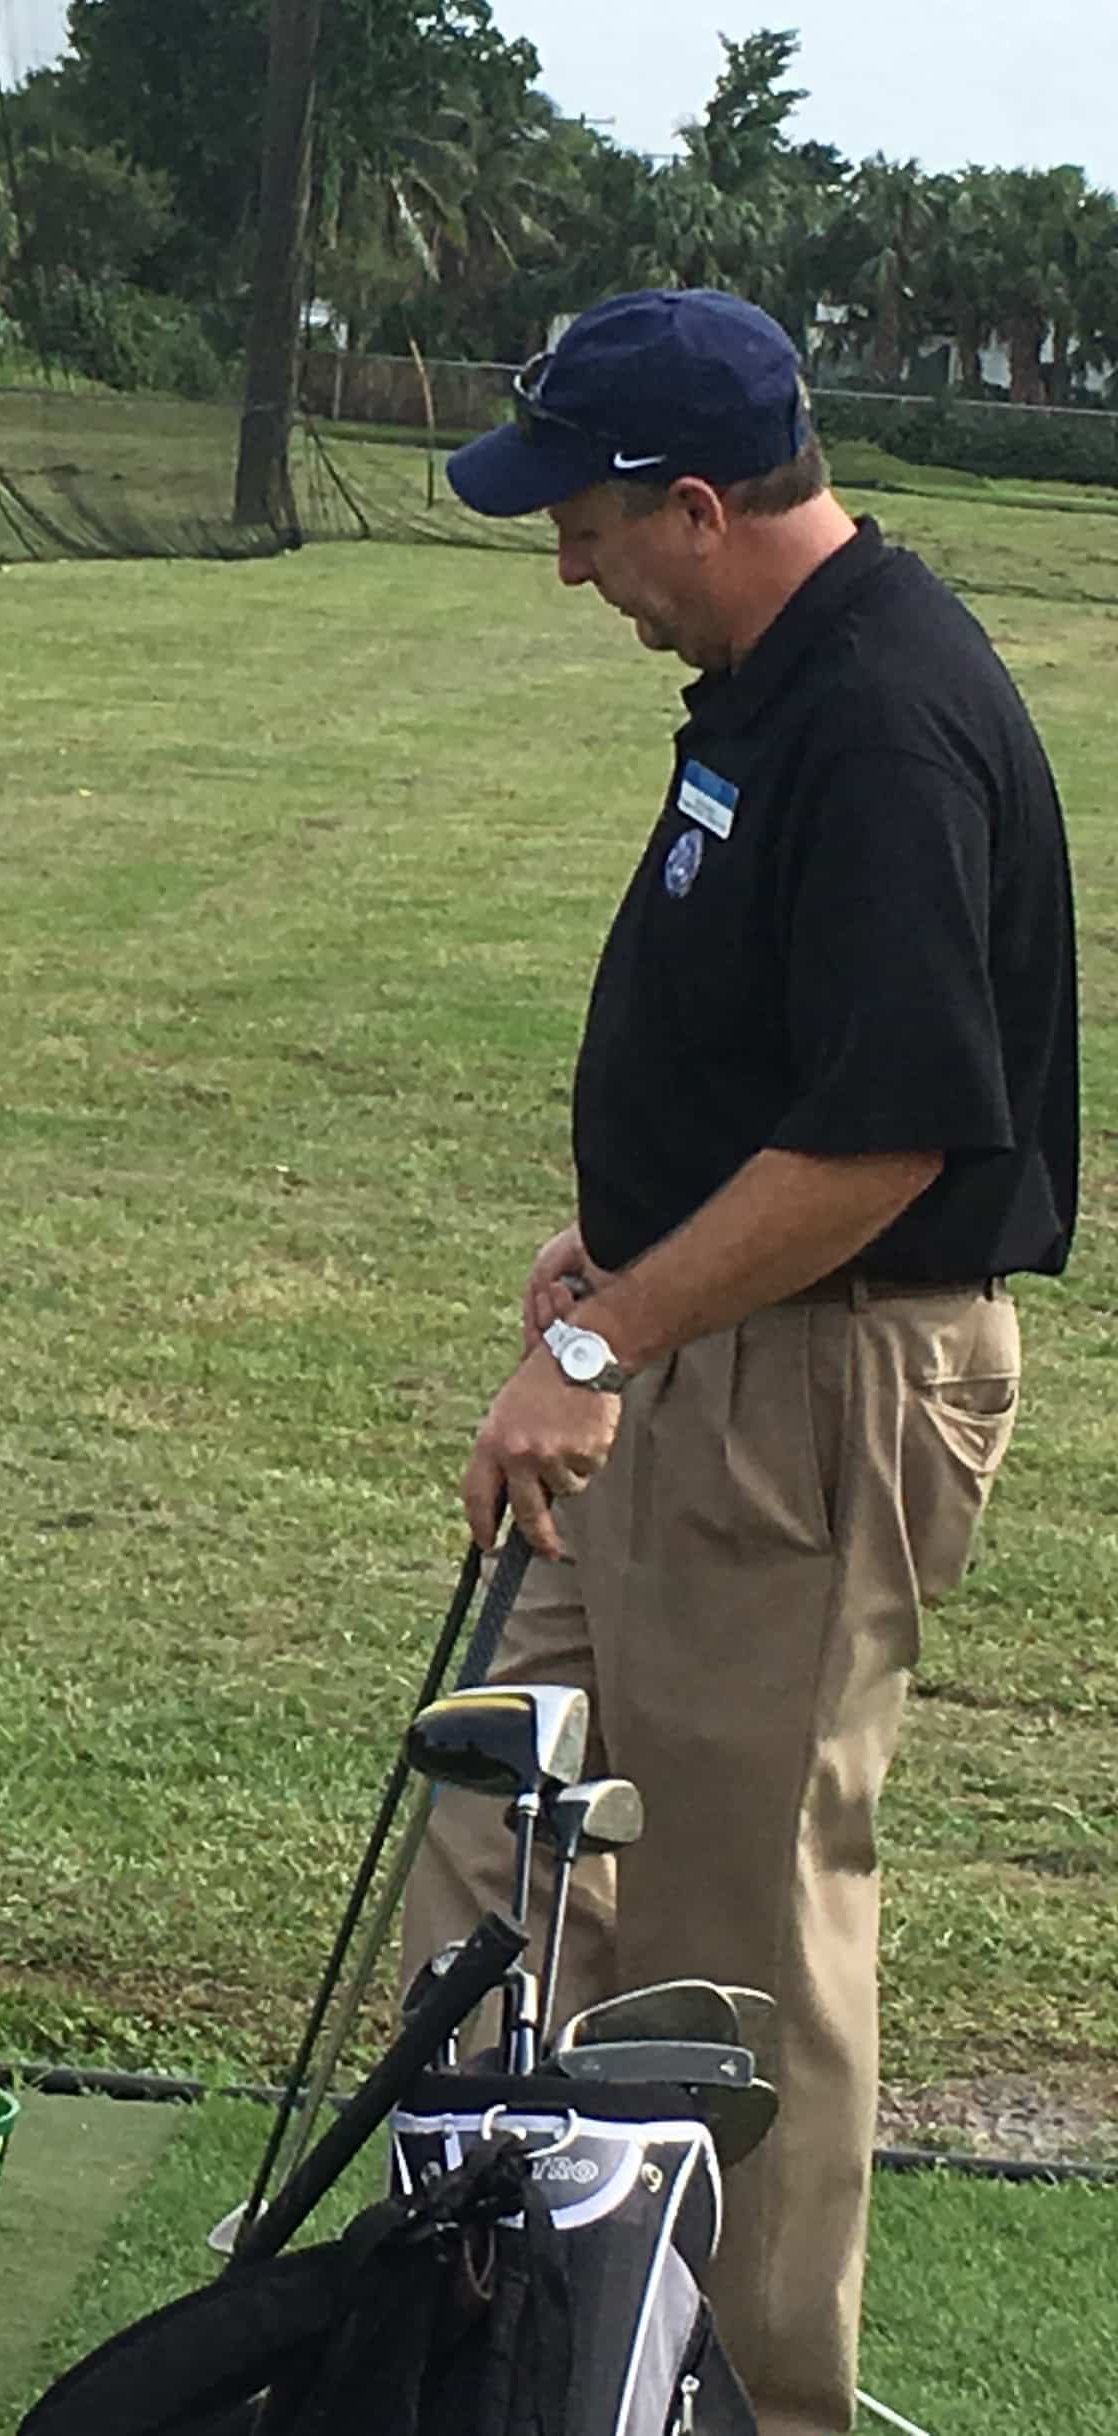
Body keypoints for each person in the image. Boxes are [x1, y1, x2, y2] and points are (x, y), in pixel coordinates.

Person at [407, 288, 1077, 2436]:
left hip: (815, 1399)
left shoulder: (879, 718)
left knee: (731, 1938)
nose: (566, 560)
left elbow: (897, 1130)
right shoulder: (767, 678)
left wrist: (613, 1328)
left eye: (590, 521)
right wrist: (632, 1231)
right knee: (495, 1826)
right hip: (702, 1354)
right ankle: (504, 2339)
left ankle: (748, 2407)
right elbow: (775, 1057)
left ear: (699, 504)